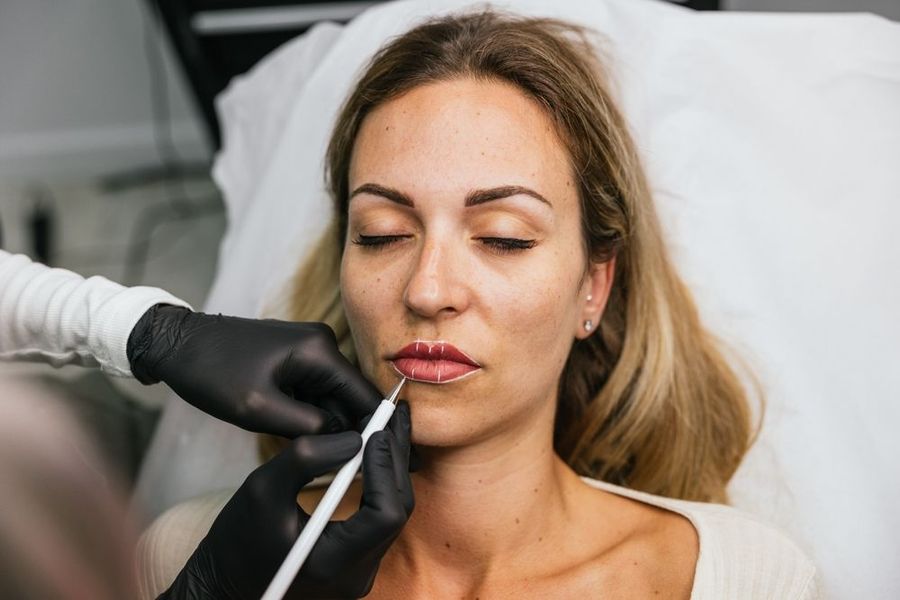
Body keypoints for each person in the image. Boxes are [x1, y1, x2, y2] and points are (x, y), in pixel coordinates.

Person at [140, 9, 821, 599]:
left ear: (595, 286)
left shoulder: (743, 578)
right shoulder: (193, 553)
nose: (428, 290)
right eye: (382, 234)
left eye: (503, 238)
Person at [0, 249, 413, 597]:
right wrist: (208, 588)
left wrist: (149, 330)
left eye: (483, 238)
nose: (427, 293)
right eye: (382, 234)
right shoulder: (173, 544)